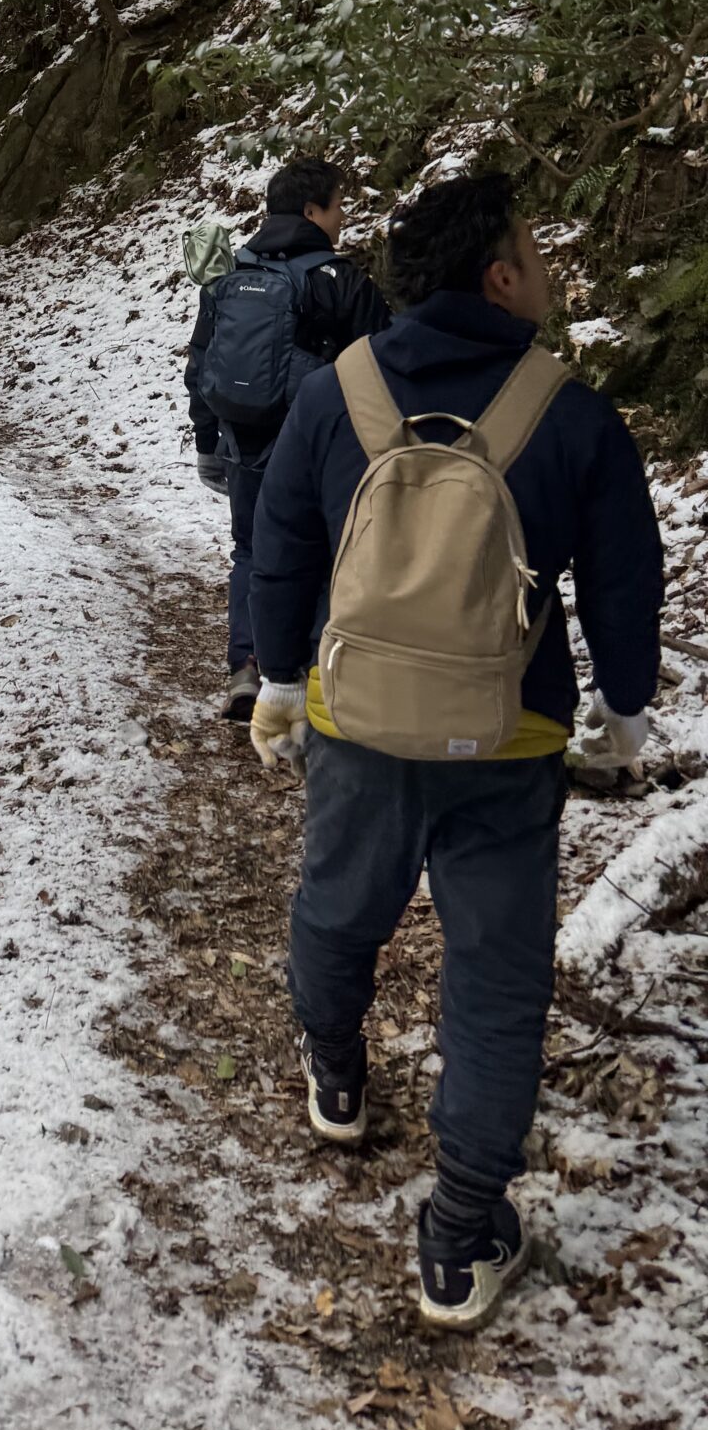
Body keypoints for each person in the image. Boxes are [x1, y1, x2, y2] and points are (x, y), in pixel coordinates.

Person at [247, 173, 663, 1330]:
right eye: (535, 251)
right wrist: (624, 714)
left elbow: (281, 544)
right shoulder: (570, 414)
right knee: (496, 975)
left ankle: (336, 1073)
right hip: (509, 734)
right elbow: (625, 581)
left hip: (358, 719)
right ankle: (462, 1232)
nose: (547, 267)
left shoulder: (337, 394)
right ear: (500, 276)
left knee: (339, 906)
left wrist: (278, 683)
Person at [185, 157, 391, 720]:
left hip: (243, 440)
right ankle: (313, 675)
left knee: (252, 549)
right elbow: (383, 365)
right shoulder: (340, 280)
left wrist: (207, 440)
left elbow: (201, 360)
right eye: (337, 206)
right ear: (311, 211)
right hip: (319, 446)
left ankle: (247, 666)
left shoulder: (230, 272)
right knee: (324, 554)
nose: (342, 217)